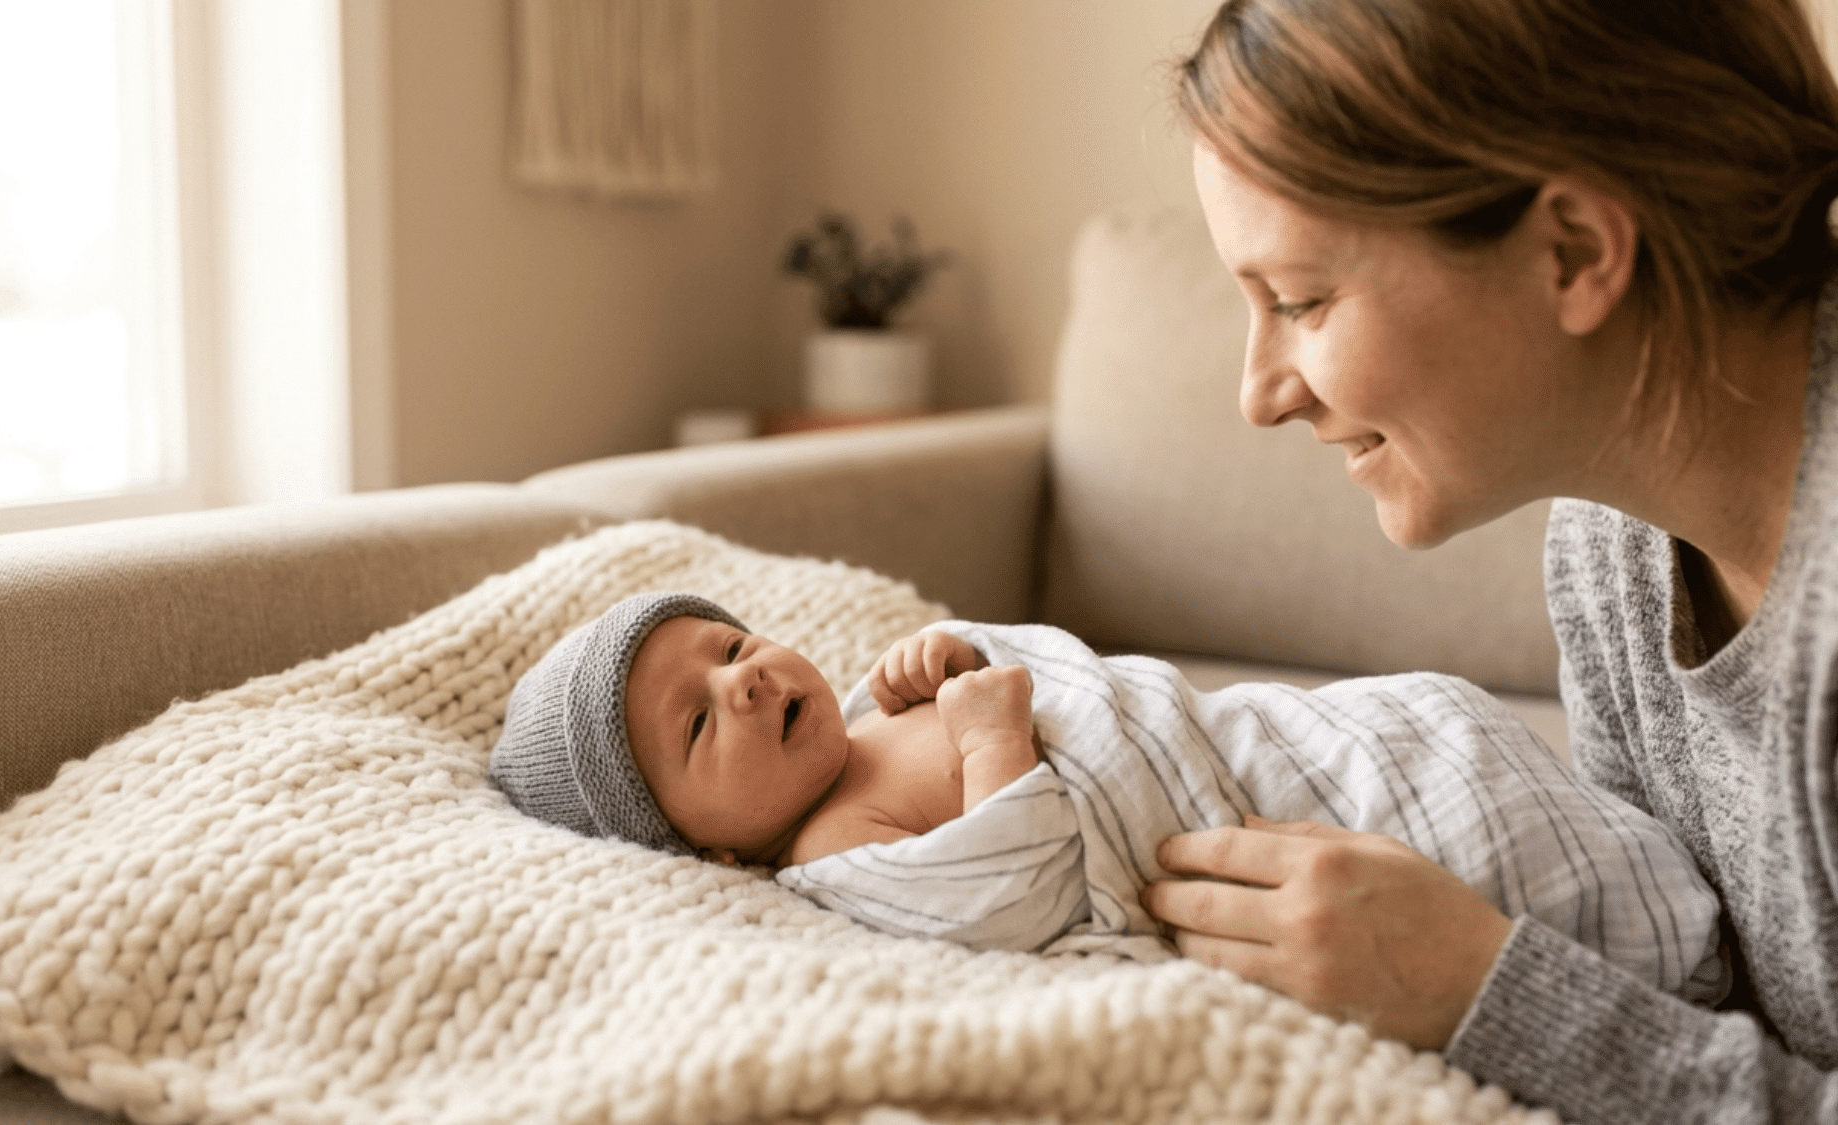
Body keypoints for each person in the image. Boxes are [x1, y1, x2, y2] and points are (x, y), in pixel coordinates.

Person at [1151, 0, 1838, 1120]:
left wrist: (1479, 987)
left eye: (1299, 299)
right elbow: (1683, 980)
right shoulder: (1607, 544)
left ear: (1572, 251)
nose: (1259, 392)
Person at [487, 591, 1725, 1002]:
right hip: (1239, 808)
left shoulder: (868, 717)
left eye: (731, 647)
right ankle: (1674, 938)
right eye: (698, 723)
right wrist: (989, 732)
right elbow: (1010, 893)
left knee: (1442, 728)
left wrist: (950, 655)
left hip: (1253, 733)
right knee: (1469, 831)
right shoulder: (830, 844)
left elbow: (1051, 667)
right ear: (696, 853)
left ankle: (1674, 861)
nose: (747, 686)